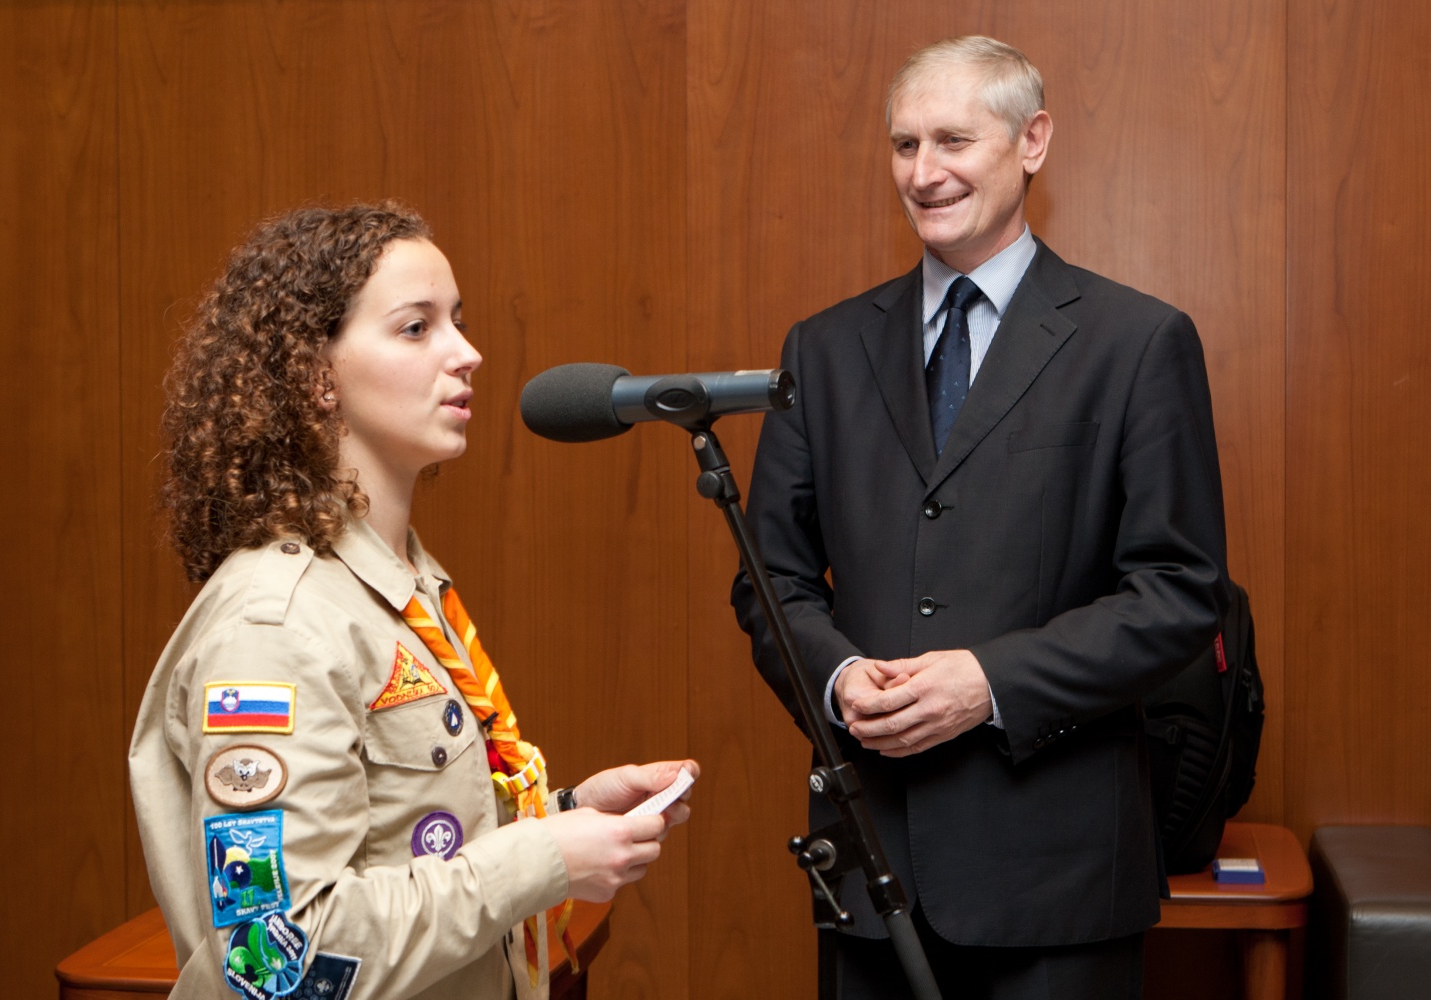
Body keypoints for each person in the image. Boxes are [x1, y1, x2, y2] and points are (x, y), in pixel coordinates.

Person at [731, 36, 1228, 1000]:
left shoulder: (1138, 343)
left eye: (953, 140)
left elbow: (1179, 591)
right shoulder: (823, 350)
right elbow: (769, 579)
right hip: (872, 874)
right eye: (904, 144)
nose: (924, 173)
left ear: (1032, 141)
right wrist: (835, 680)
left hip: (1059, 882)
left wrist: (987, 681)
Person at [130, 202, 697, 1000]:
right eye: (415, 328)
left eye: (456, 322)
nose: (467, 354)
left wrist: (564, 818)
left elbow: (405, 848)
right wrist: (543, 861)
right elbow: (275, 962)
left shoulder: (404, 587)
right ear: (315, 376)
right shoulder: (278, 623)